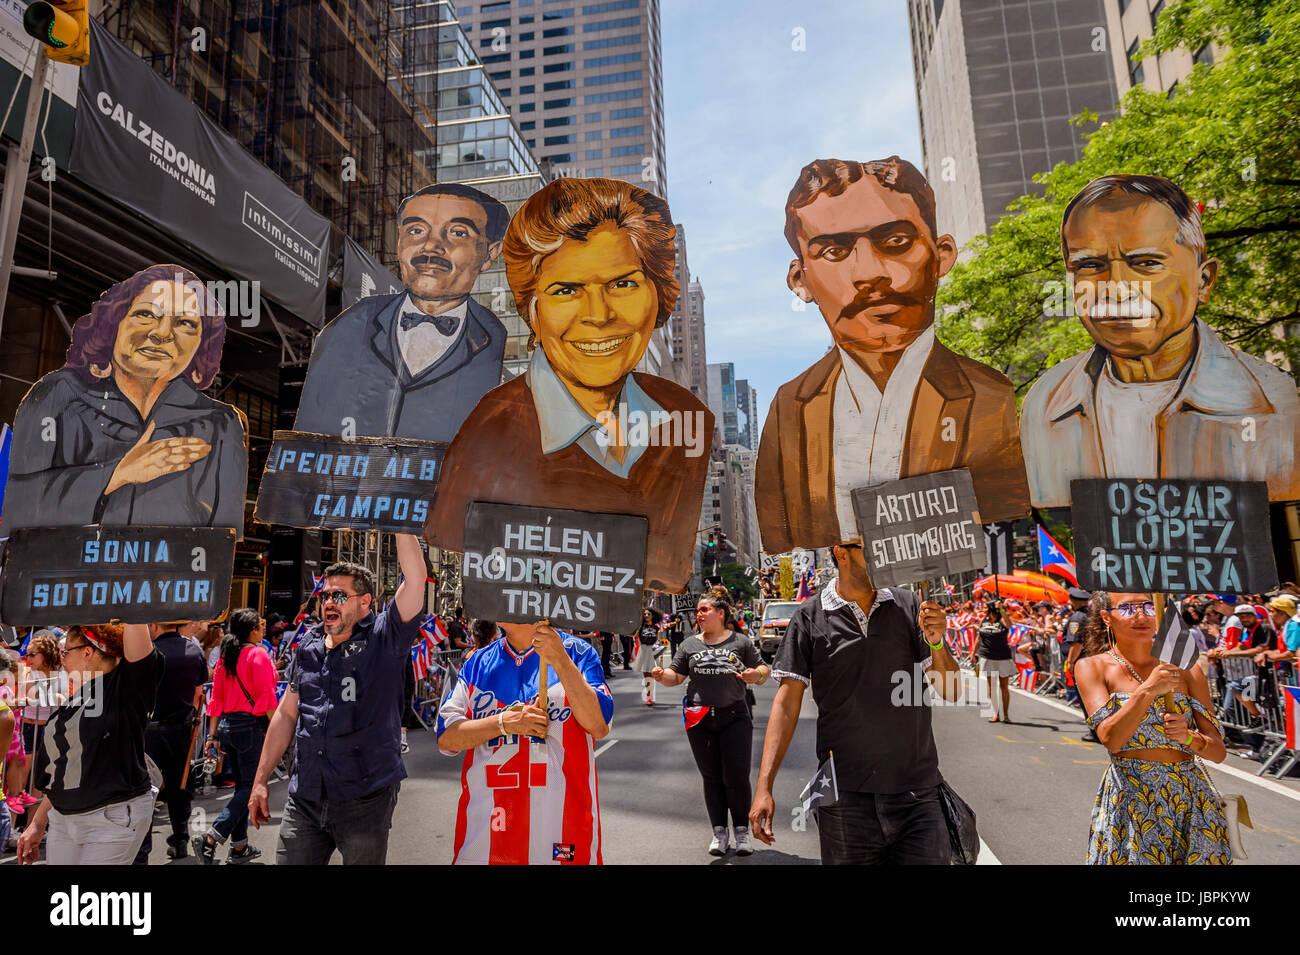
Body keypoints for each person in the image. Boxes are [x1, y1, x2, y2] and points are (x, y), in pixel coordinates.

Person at [425, 177, 714, 592]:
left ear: (657, 298)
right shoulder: (487, 432)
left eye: (623, 284)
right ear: (533, 313)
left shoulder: (687, 417)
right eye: (566, 290)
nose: (598, 315)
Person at [755, 156, 1030, 553]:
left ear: (942, 256)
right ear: (801, 280)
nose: (869, 273)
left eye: (896, 243)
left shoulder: (990, 396)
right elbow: (784, 534)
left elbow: (1001, 507)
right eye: (834, 251)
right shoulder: (788, 410)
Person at [1021, 174, 1300, 507]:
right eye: (1090, 265)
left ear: (1204, 280)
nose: (1117, 287)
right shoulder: (1045, 404)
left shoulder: (1275, 403)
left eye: (1146, 263)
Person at [749, 542, 961, 864]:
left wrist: (937, 642)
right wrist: (764, 786)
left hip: (918, 795)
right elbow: (786, 705)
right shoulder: (809, 617)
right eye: (867, 547)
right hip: (845, 800)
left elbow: (952, 689)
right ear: (841, 553)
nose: (879, 554)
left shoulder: (910, 606)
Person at [1, 265, 247, 533]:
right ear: (114, 323)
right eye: (145, 314)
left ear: (201, 343)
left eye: (185, 323)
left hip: (164, 575)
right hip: (69, 572)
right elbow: (19, 511)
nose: (162, 333)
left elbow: (222, 544)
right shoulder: (58, 395)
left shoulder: (221, 424)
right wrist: (116, 474)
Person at [248, 533, 426, 865]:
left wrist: (403, 522)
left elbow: (415, 579)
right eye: (325, 595)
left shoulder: (384, 637)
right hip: (305, 798)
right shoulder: (309, 646)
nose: (328, 602)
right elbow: (287, 714)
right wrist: (260, 781)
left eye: (339, 595)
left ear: (365, 602)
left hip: (365, 799)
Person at [294, 184, 509, 441]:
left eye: (458, 233)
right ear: (399, 242)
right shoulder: (351, 325)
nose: (430, 247)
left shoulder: (493, 338)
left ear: (490, 254)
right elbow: (308, 443)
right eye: (416, 230)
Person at [1073, 592, 1231, 865]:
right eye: (1127, 608)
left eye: (1147, 606)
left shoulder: (1186, 669)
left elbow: (1218, 752)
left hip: (1190, 801)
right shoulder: (1092, 667)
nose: (1140, 615)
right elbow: (1110, 738)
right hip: (1131, 799)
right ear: (1106, 617)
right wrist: (1146, 691)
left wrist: (1190, 737)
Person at [437, 620, 613, 864]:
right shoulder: (477, 663)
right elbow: (446, 738)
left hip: (563, 832)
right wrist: (503, 723)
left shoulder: (578, 652)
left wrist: (561, 660)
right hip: (486, 838)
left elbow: (599, 725)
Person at [17, 623, 162, 865]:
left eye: (66, 652)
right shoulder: (80, 697)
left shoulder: (125, 689)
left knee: (91, 901)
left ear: (88, 652)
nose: (63, 660)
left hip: (111, 818)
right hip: (64, 820)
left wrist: (130, 593)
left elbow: (137, 623)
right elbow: (65, 767)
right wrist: (38, 823)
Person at [652, 587, 767, 855]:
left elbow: (763, 668)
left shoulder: (740, 642)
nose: (699, 615)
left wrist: (755, 675)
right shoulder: (690, 644)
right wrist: (661, 675)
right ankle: (719, 832)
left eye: (705, 610)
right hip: (699, 718)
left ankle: (741, 833)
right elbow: (676, 676)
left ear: (721, 613)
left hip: (735, 716)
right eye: (698, 611)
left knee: (736, 777)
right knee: (711, 777)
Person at [193, 608, 278, 864]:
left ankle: (239, 847)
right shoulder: (257, 655)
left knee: (242, 788)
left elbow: (215, 700)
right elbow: (267, 698)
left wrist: (212, 735)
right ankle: (211, 837)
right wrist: (281, 731)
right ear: (252, 629)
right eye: (260, 625)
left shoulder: (226, 658)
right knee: (251, 788)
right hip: (250, 726)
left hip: (228, 727)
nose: (263, 629)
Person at [135, 621, 208, 862]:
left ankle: (142, 849)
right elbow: (198, 693)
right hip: (180, 729)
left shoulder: (148, 652)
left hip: (149, 730)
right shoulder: (194, 651)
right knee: (180, 785)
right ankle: (180, 839)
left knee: (145, 789)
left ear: (154, 625)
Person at [14, 631, 66, 825]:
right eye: (28, 654)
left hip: (50, 730)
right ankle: (9, 828)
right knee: (19, 780)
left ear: (45, 653)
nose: (28, 658)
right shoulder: (26, 673)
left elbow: (66, 698)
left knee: (40, 780)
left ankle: (32, 825)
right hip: (27, 730)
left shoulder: (63, 672)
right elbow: (19, 697)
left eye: (32, 654)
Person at [971, 604, 1016, 723]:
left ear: (991, 609)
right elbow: (978, 638)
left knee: (1004, 686)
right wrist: (973, 653)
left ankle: (1006, 715)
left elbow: (1009, 625)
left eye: (985, 608)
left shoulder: (1002, 620)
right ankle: (996, 714)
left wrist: (1001, 608)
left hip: (1002, 657)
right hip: (987, 656)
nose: (983, 609)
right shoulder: (983, 620)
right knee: (992, 687)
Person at [635, 609, 663, 706]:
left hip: (652, 650)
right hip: (643, 650)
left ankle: (650, 695)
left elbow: (657, 641)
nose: (646, 615)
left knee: (651, 674)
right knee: (646, 675)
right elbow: (632, 634)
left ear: (653, 616)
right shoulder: (640, 627)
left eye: (648, 614)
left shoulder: (656, 628)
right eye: (645, 614)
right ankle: (649, 695)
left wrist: (658, 654)